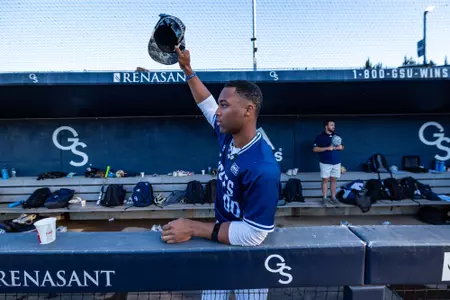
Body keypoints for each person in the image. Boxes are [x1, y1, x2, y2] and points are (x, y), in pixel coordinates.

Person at [160, 46, 280, 300]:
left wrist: (193, 227)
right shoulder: (230, 135)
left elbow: (254, 234)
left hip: (250, 257)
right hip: (220, 242)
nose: (218, 111)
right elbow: (206, 104)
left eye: (225, 105)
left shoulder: (263, 167)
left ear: (248, 111)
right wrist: (187, 69)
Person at [312, 120, 344, 205]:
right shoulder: (320, 137)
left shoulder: (337, 136)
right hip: (325, 162)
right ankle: (325, 198)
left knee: (334, 179)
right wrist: (326, 148)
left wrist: (340, 147)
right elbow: (315, 149)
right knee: (325, 179)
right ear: (326, 126)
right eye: (331, 125)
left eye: (334, 125)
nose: (333, 126)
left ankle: (333, 197)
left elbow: (342, 147)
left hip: (336, 162)